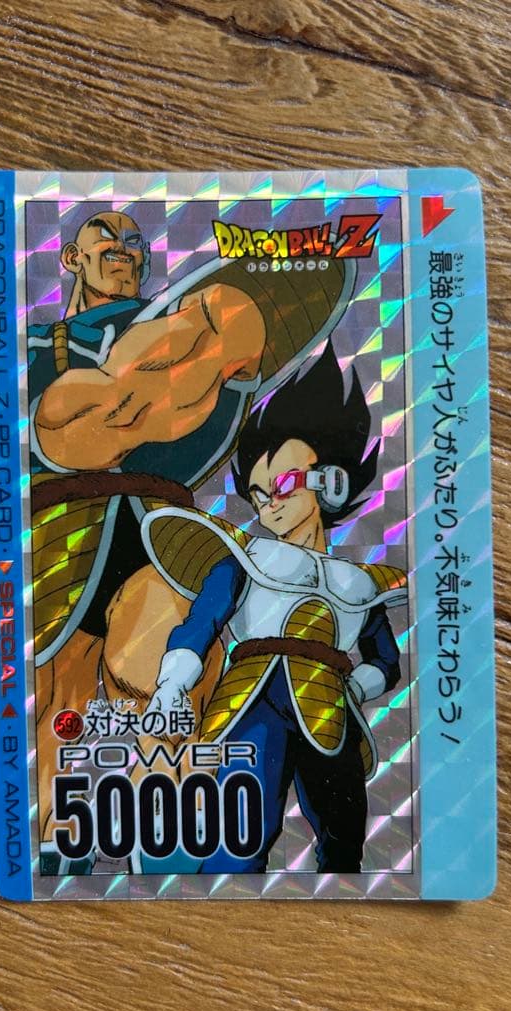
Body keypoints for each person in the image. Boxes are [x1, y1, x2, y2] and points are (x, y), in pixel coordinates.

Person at [29, 209, 358, 872]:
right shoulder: (38, 347)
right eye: (105, 237)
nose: (124, 248)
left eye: (134, 242)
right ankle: (59, 850)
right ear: (71, 258)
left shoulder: (203, 350)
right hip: (59, 533)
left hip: (160, 530)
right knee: (61, 704)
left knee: (166, 680)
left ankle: (166, 854)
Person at [142, 343, 407, 873]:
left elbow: (385, 659)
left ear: (331, 481)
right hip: (253, 701)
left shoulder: (359, 582)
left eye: (283, 484)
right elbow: (202, 623)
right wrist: (172, 684)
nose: (269, 504)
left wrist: (356, 688)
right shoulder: (246, 557)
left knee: (344, 834)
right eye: (259, 493)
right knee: (241, 833)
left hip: (330, 709)